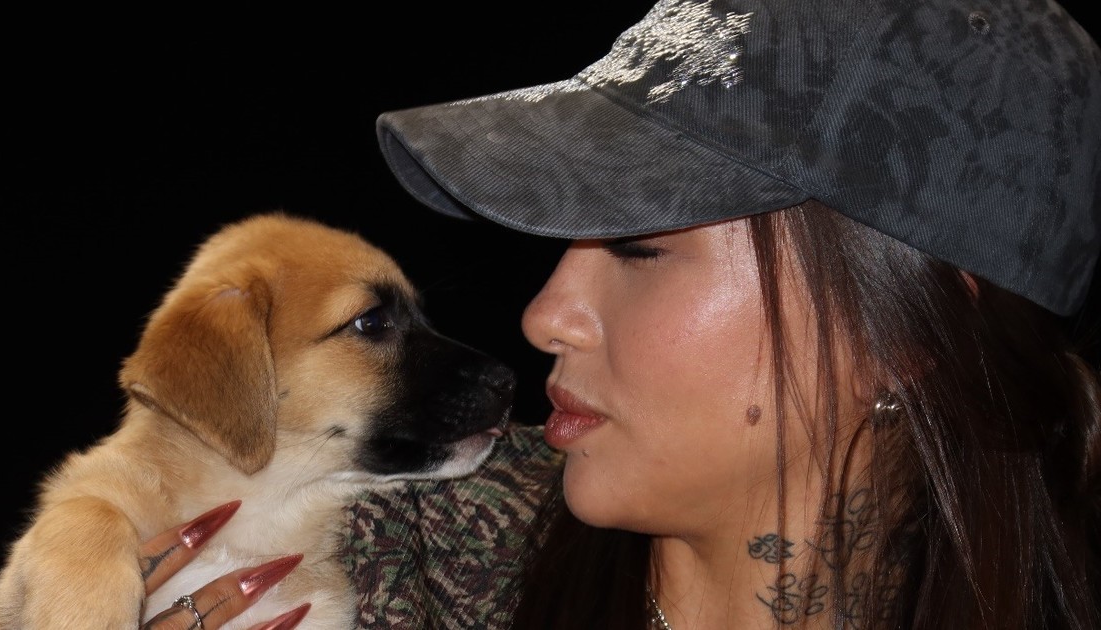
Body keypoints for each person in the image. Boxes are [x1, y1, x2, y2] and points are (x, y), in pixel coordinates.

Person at [139, 0, 1101, 628]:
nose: (545, 316)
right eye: (568, 243)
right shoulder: (365, 550)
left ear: (909, 334)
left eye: (640, 248)